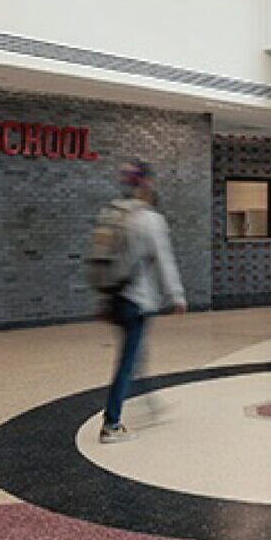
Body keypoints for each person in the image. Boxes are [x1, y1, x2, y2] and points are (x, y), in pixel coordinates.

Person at [98, 161, 186, 444]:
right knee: (128, 360)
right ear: (147, 184)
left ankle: (149, 403)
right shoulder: (150, 220)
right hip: (137, 299)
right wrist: (176, 296)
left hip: (116, 295)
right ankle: (111, 423)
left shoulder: (114, 213)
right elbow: (164, 260)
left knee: (136, 352)